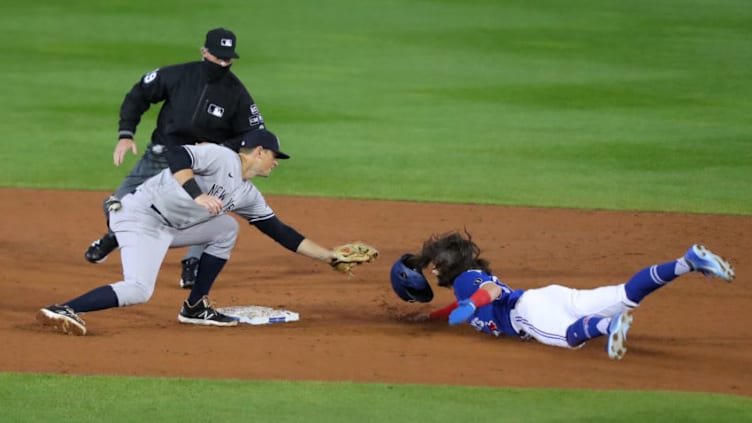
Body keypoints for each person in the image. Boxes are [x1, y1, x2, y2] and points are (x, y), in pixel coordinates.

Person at [38, 129, 362, 335]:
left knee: (226, 229)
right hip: (139, 217)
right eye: (275, 157)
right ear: (259, 151)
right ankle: (65, 308)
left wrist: (329, 256)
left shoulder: (247, 194)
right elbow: (176, 153)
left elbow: (281, 232)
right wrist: (196, 193)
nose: (276, 164)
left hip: (167, 227)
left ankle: (195, 306)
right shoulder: (221, 156)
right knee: (139, 289)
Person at [85, 27, 266, 290]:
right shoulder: (177, 74)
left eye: (228, 59)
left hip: (201, 165)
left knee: (210, 210)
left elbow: (254, 132)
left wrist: (220, 147)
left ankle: (192, 261)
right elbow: (138, 95)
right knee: (116, 205)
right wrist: (126, 134)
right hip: (161, 155)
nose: (223, 64)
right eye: (218, 57)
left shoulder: (236, 92)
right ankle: (115, 235)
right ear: (204, 52)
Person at [391, 231, 735, 359]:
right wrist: (433, 316)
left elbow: (491, 292)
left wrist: (471, 305)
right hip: (548, 296)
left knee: (569, 338)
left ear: (448, 264)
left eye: (435, 265)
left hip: (525, 313)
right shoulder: (469, 277)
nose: (432, 271)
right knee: (625, 293)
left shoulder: (468, 283)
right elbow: (479, 293)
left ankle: (607, 326)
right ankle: (688, 261)